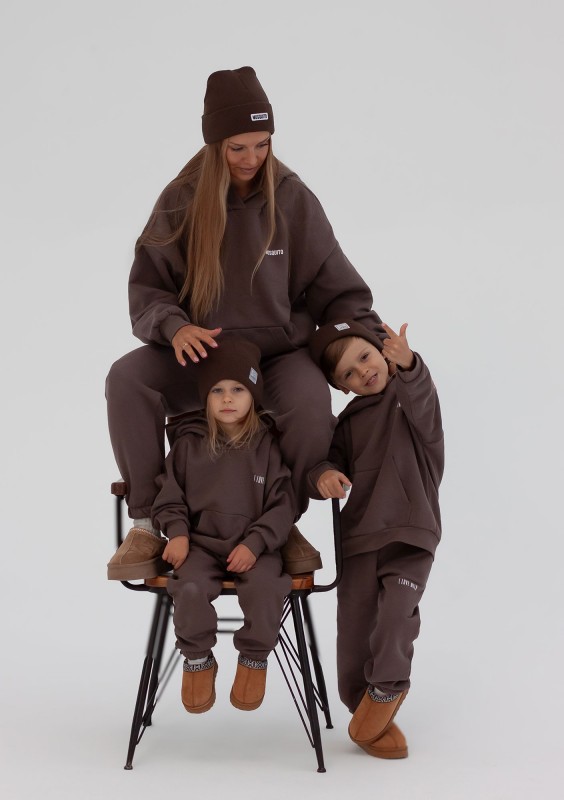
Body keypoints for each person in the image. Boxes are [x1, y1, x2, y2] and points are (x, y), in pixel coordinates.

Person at [105, 65, 383, 580]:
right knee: (127, 378)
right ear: (215, 144)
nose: (252, 158)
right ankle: (145, 523)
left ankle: (282, 522)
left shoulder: (292, 197)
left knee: (308, 397)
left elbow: (339, 289)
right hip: (203, 356)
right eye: (237, 147)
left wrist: (381, 347)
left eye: (262, 144)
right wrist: (174, 327)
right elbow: (148, 290)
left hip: (275, 355)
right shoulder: (181, 199)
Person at [307, 318, 444, 759]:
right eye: (348, 373)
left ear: (383, 352)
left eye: (365, 357)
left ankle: (386, 689)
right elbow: (327, 463)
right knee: (354, 630)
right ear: (341, 387)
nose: (363, 372)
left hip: (410, 532)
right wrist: (323, 474)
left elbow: (421, 396)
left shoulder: (409, 398)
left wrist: (411, 364)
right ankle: (362, 708)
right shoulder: (346, 422)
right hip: (359, 540)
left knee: (396, 616)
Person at [151, 338, 294, 713]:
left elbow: (282, 505)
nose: (227, 398)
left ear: (252, 396)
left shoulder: (267, 447)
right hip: (200, 545)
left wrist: (256, 543)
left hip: (254, 548)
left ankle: (254, 659)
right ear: (206, 398)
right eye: (217, 390)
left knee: (266, 587)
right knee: (190, 587)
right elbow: (169, 495)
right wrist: (177, 533)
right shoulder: (188, 445)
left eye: (237, 389)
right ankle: (198, 659)